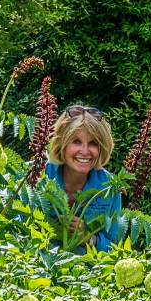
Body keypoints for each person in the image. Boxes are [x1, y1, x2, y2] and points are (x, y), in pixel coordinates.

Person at [43, 105, 121, 252]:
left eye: (93, 143)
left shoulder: (110, 186)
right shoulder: (38, 174)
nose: (85, 151)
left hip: (86, 272)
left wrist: (89, 239)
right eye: (76, 141)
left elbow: (115, 248)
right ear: (62, 144)